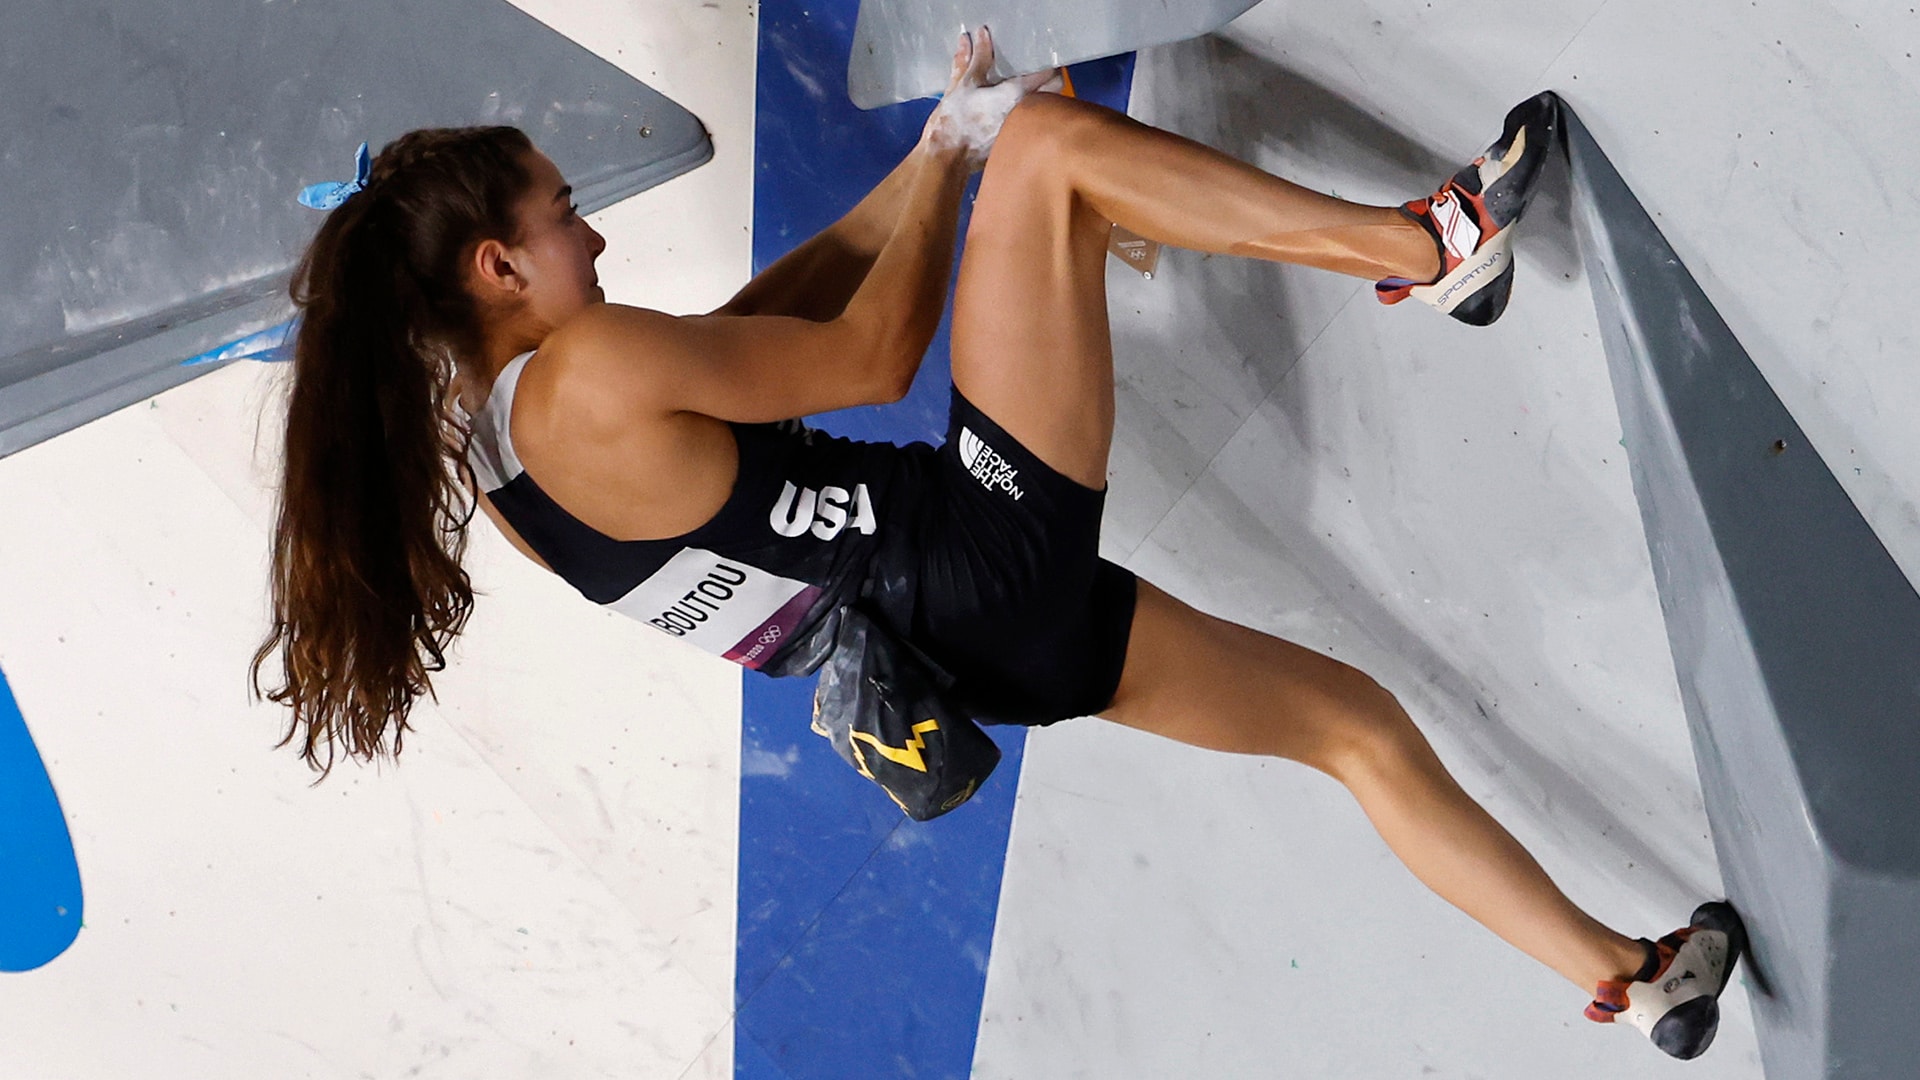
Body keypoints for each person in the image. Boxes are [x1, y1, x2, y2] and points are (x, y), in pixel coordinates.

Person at [254, 26, 1743, 1060]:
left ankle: (1634, 977)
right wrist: (980, 148)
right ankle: (1429, 248)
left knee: (1352, 730)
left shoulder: (511, 455)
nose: (599, 239)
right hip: (975, 554)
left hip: (962, 654)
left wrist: (935, 152)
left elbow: (759, 331)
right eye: (567, 215)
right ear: (500, 264)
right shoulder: (585, 374)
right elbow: (872, 348)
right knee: (1051, 155)